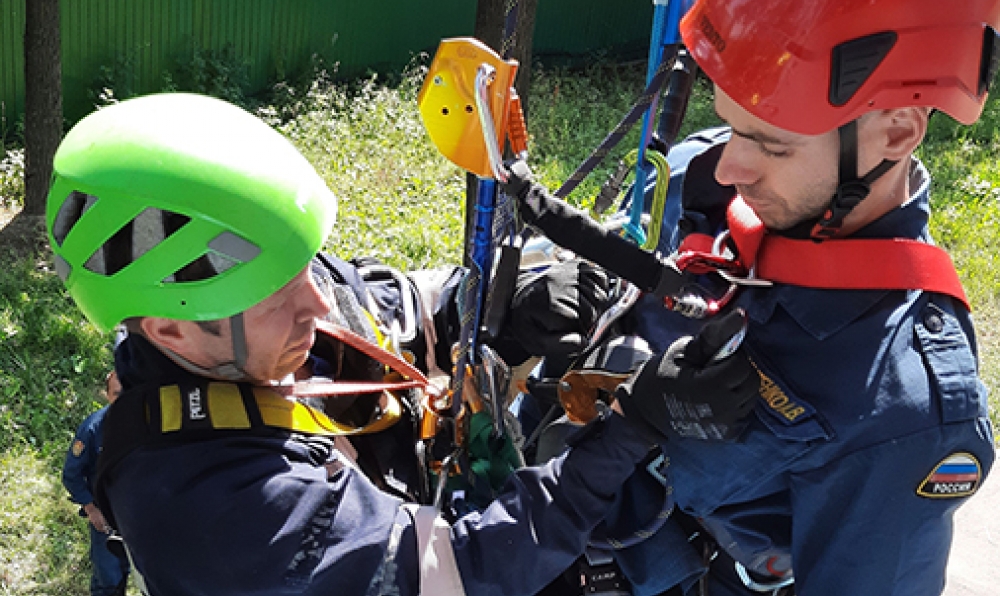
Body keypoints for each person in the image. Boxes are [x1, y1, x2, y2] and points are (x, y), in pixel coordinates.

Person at [44, 91, 758, 596]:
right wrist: (630, 429)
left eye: (305, 268)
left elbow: (376, 303)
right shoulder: (220, 518)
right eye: (282, 296)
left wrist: (504, 305)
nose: (317, 303)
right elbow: (467, 570)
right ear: (169, 329)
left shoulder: (237, 317)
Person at [500, 0, 998, 594]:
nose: (732, 164)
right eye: (731, 124)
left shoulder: (900, 412)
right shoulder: (713, 176)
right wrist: (591, 287)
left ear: (896, 130)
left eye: (770, 144)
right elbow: (644, 238)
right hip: (544, 501)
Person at [62, 371, 130, 596]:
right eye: (117, 394)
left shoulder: (149, 427)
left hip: (137, 517)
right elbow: (71, 474)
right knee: (108, 579)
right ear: (107, 395)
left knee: (143, 576)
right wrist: (91, 509)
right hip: (106, 519)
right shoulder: (93, 428)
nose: (124, 400)